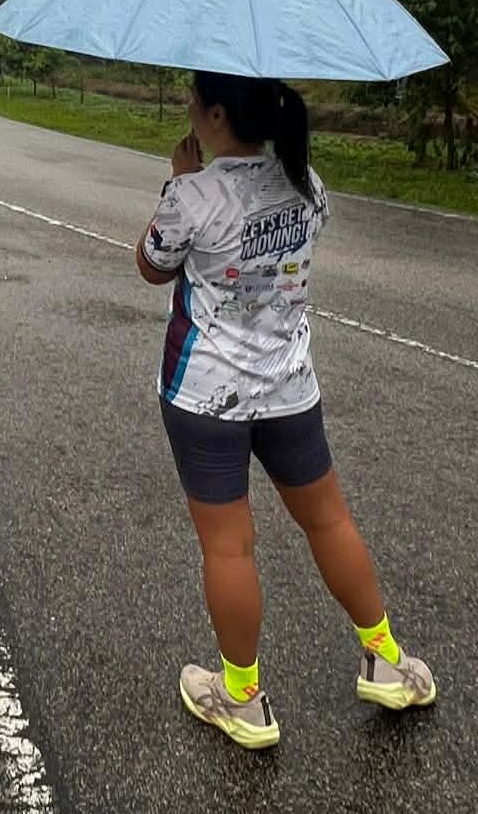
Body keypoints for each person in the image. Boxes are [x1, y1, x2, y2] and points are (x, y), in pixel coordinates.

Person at [135, 69, 436, 749]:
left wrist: (178, 182)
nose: (188, 107)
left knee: (228, 545)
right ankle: (387, 660)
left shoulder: (192, 193)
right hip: (290, 388)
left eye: (193, 100)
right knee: (328, 520)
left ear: (216, 115)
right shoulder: (308, 185)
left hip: (206, 395)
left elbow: (151, 266)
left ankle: (242, 698)